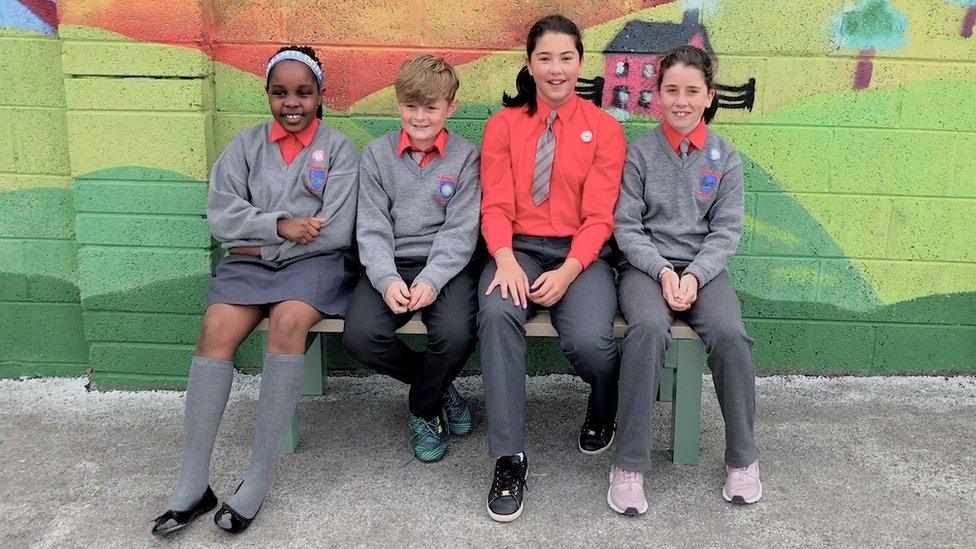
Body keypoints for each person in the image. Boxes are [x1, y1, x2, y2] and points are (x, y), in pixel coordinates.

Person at [151, 45, 359, 535]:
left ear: (319, 95)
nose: (292, 103)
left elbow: (336, 229)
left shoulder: (339, 149)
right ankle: (194, 485)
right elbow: (224, 215)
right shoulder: (244, 148)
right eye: (280, 92)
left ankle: (258, 477)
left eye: (304, 93)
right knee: (215, 328)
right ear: (266, 94)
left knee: (287, 322)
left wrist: (262, 243)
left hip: (315, 266)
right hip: (259, 263)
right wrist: (282, 226)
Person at [478, 14, 626, 522]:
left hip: (581, 253)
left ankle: (605, 399)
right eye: (545, 58)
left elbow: (601, 215)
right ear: (530, 64)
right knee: (497, 313)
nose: (556, 69)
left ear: (580, 63)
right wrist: (503, 257)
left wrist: (567, 271)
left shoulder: (604, 129)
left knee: (589, 340)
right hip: (515, 248)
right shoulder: (503, 125)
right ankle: (509, 457)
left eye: (566, 58)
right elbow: (494, 205)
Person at [609, 45, 761, 517]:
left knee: (731, 335)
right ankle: (630, 464)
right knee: (648, 331)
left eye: (692, 91)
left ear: (709, 96)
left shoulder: (726, 158)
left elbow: (726, 231)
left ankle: (743, 458)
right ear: (656, 95)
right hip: (645, 269)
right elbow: (627, 226)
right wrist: (662, 271)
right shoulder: (640, 153)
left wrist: (693, 274)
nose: (681, 101)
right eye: (671, 90)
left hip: (704, 272)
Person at [341, 54, 481, 463]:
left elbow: (460, 230)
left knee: (456, 333)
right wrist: (386, 280)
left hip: (446, 266)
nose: (420, 117)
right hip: (391, 263)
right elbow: (371, 226)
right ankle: (439, 387)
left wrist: (432, 280)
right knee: (360, 336)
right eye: (411, 106)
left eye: (431, 107)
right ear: (398, 103)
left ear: (450, 108)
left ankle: (423, 408)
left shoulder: (466, 157)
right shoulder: (377, 155)